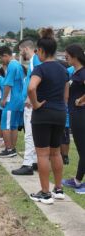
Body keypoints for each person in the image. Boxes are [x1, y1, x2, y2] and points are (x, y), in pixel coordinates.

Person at [28, 28, 68, 204]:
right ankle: (58, 189)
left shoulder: (40, 68)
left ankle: (45, 193)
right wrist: (61, 107)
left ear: (42, 51)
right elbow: (66, 93)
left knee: (42, 155)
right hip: (60, 112)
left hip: (43, 114)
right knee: (56, 153)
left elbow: (31, 88)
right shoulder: (63, 69)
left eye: (37, 51)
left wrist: (35, 103)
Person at [12, 39, 41, 176]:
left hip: (31, 103)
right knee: (32, 134)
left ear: (25, 49)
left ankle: (27, 164)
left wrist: (30, 97)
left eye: (20, 50)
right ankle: (34, 161)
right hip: (30, 102)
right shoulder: (33, 61)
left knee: (29, 134)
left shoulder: (35, 61)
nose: (20, 53)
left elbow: (37, 80)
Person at [62, 44, 85, 194]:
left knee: (83, 149)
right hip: (75, 114)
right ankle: (77, 180)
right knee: (82, 149)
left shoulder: (83, 72)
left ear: (75, 56)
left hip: (80, 114)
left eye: (67, 56)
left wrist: (81, 99)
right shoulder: (76, 72)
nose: (66, 58)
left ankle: (78, 182)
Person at [0, 46, 24, 158]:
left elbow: (8, 84)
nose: (1, 61)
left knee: (5, 126)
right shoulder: (18, 65)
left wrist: (3, 99)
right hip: (19, 99)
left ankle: (9, 149)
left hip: (11, 100)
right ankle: (12, 148)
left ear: (5, 55)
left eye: (1, 58)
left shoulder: (11, 65)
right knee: (13, 126)